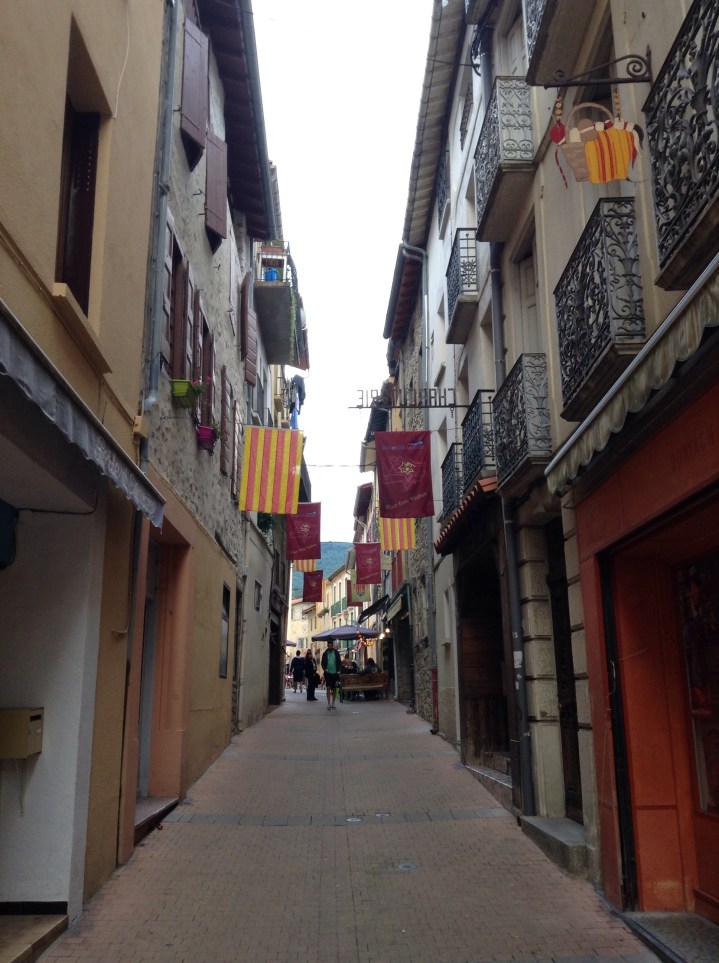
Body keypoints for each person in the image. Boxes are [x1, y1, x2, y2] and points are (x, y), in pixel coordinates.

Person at [321, 639, 341, 710]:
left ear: (332, 646)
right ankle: (329, 703)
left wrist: (339, 670)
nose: (329, 647)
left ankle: (333, 703)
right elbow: (322, 663)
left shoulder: (336, 653)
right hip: (328, 673)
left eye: (331, 646)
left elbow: (339, 662)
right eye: (328, 646)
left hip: (335, 673)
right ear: (327, 646)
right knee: (328, 688)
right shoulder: (325, 653)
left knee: (334, 688)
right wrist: (324, 669)